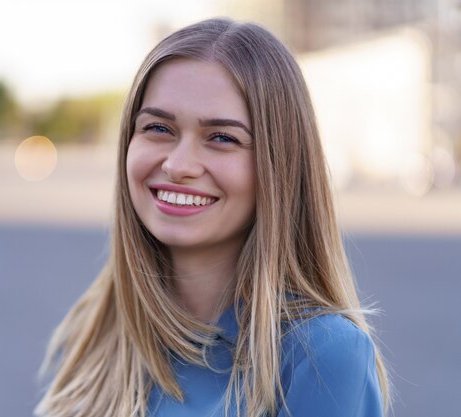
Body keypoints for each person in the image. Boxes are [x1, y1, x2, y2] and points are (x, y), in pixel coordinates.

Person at [35, 18, 390, 417]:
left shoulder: (323, 355)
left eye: (222, 137)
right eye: (157, 128)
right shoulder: (95, 329)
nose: (178, 164)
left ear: (281, 166)